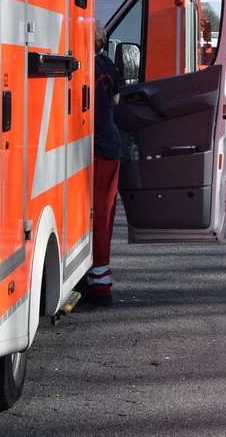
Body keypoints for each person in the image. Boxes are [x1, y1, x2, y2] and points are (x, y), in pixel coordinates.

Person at [85, 21, 122, 306]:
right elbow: (116, 100)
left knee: (94, 215)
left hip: (94, 148)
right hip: (112, 144)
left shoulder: (85, 68)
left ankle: (99, 281)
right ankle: (101, 274)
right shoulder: (108, 64)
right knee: (105, 214)